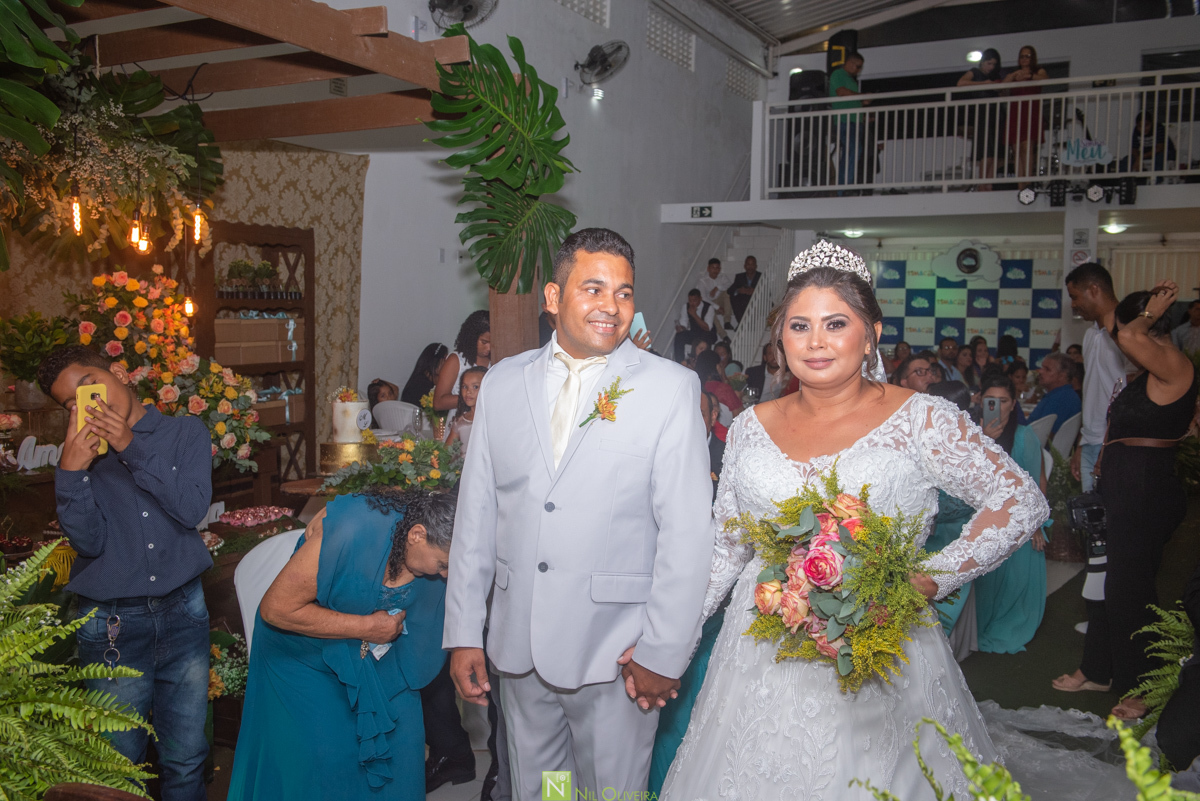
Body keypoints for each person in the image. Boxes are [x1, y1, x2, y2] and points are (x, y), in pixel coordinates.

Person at [659, 242, 1048, 800]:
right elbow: (728, 548)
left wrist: (924, 578)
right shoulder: (750, 426)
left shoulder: (922, 419)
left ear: (870, 333)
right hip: (761, 648)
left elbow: (1020, 500)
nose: (815, 342)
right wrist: (673, 638)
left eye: (835, 323)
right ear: (780, 338)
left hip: (878, 641)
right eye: (799, 326)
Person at [443, 228, 714, 801]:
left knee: (608, 793)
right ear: (551, 297)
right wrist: (465, 630)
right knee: (545, 792)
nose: (611, 307)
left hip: (615, 653)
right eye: (593, 289)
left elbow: (687, 535)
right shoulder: (502, 384)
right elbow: (477, 514)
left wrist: (663, 652)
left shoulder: (669, 389)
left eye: (623, 293)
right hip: (519, 648)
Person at [39, 345, 213, 801]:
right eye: (70, 403)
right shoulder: (82, 456)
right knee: (116, 765)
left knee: (187, 757)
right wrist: (71, 473)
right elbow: (90, 543)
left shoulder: (183, 432)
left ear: (116, 372)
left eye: (88, 386)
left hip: (184, 613)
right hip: (111, 624)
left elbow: (191, 508)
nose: (86, 405)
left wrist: (129, 448)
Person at [228, 489, 455, 800]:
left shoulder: (432, 531)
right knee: (326, 763)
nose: (446, 575)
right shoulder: (350, 532)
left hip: (385, 660)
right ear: (416, 534)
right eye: (443, 563)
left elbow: (428, 493)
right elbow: (276, 609)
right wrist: (367, 626)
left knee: (404, 752)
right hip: (305, 657)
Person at [1054, 282, 1198, 721]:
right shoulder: (1146, 375)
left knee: (1130, 592)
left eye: (1122, 329)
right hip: (1121, 491)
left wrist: (1147, 315)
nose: (1119, 339)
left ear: (1146, 325)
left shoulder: (1174, 364)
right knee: (1105, 587)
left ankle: (1144, 686)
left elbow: (1132, 337)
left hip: (1145, 497)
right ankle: (1099, 668)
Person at [647, 390, 728, 798]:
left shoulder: (727, 457)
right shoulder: (651, 448)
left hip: (704, 603)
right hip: (634, 613)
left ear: (713, 416)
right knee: (553, 772)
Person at [974, 372, 1048, 654]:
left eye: (1003, 401)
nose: (997, 406)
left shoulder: (1025, 436)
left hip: (1019, 518)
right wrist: (984, 442)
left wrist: (1037, 525)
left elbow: (1038, 484)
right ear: (981, 401)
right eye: (991, 400)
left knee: (1027, 549)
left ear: (1014, 403)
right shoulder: (970, 434)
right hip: (979, 517)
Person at [1066, 263, 1128, 493]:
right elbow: (1093, 393)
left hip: (1117, 443)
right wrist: (1083, 443)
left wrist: (1108, 444)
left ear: (1094, 290)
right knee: (1089, 521)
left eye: (1074, 297)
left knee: (1113, 520)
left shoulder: (1128, 332)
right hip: (1091, 441)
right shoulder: (1090, 333)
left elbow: (1131, 394)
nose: (1073, 305)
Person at [957, 48, 1004, 190]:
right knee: (986, 151)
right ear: (983, 62)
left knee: (995, 153)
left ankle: (988, 183)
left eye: (994, 64)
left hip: (996, 114)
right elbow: (961, 83)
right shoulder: (975, 72)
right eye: (989, 63)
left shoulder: (995, 78)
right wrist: (985, 84)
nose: (991, 67)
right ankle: (982, 183)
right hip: (983, 116)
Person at [1002, 45, 1048, 188]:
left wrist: (1030, 76)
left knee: (1027, 147)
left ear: (1032, 57)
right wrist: (1012, 77)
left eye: (1027, 56)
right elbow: (1001, 87)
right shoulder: (1015, 74)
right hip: (1016, 112)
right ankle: (1020, 183)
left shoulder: (1038, 71)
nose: (1024, 59)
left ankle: (1027, 182)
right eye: (1022, 56)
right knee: (1016, 149)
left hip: (1030, 112)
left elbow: (1045, 80)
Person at [434, 310, 491, 412]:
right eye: (484, 342)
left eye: (492, 343)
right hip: (460, 423)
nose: (488, 348)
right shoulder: (456, 360)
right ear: (472, 337)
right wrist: (471, 397)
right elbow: (438, 402)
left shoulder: (496, 359)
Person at [829, 52, 867, 187]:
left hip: (855, 121)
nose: (859, 70)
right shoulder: (838, 74)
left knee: (855, 151)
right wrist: (861, 96)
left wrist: (862, 101)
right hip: (846, 120)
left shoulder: (851, 80)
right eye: (857, 67)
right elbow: (841, 92)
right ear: (849, 63)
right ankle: (844, 186)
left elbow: (850, 98)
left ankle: (847, 184)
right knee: (852, 150)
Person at [1029, 352, 1081, 437]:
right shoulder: (1060, 394)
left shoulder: (1062, 399)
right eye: (1042, 367)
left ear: (1062, 376)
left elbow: (1044, 434)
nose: (1040, 371)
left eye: (1047, 369)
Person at [695, 349, 743, 424]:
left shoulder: (695, 387)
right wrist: (739, 398)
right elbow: (739, 417)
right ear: (718, 367)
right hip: (724, 432)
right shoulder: (724, 389)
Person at [445, 366, 484, 452]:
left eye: (475, 387)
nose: (468, 392)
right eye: (465, 387)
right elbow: (446, 455)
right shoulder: (460, 422)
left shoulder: (493, 420)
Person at [673, 289, 717, 362]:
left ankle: (700, 361)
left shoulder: (709, 308)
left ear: (700, 299)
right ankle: (680, 362)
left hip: (708, 333)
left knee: (703, 338)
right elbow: (684, 322)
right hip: (694, 332)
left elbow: (707, 328)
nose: (692, 303)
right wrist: (681, 328)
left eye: (695, 300)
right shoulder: (686, 306)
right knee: (679, 336)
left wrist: (694, 315)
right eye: (690, 301)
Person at [698, 258, 736, 336]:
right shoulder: (703, 281)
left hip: (720, 303)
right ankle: (723, 335)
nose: (715, 270)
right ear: (708, 268)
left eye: (717, 268)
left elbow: (730, 286)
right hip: (710, 304)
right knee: (709, 308)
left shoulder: (722, 276)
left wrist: (717, 287)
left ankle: (727, 322)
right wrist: (717, 307)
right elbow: (703, 298)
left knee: (728, 293)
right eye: (713, 268)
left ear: (720, 269)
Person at [727, 255, 762, 323]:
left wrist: (756, 291)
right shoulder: (739, 277)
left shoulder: (761, 276)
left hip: (756, 300)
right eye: (748, 264)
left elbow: (768, 293)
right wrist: (739, 290)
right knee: (734, 298)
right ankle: (741, 324)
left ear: (756, 266)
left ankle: (744, 325)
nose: (750, 267)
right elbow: (729, 290)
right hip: (742, 301)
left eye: (752, 264)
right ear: (745, 266)